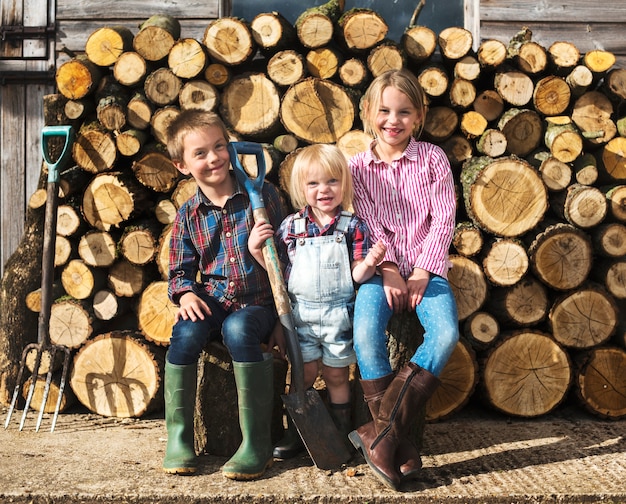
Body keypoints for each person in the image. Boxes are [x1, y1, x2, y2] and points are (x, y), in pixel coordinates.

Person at [347, 68, 460, 490]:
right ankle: (397, 442)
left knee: (445, 332)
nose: (393, 121)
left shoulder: (433, 159)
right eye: (384, 111)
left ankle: (379, 434)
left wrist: (422, 271)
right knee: (365, 332)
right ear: (368, 113)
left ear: (419, 116)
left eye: (404, 112)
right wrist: (392, 270)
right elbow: (367, 221)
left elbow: (443, 217)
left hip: (428, 271)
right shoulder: (357, 167)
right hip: (380, 272)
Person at [162, 109, 286, 480]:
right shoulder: (188, 215)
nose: (213, 157)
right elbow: (180, 271)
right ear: (182, 165)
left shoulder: (261, 196)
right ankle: (179, 439)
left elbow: (287, 262)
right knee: (185, 333)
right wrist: (184, 294)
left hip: (258, 305)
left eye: (219, 147)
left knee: (237, 330)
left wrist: (282, 318)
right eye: (199, 153)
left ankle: (256, 443)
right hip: (215, 298)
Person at [248, 143, 386, 459]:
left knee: (338, 375)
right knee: (304, 374)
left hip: (339, 314)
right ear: (301, 188)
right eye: (313, 183)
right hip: (303, 316)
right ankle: (299, 431)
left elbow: (357, 276)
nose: (323, 190)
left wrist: (371, 263)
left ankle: (338, 431)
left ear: (344, 185)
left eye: (332, 182)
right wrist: (258, 251)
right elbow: (280, 274)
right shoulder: (290, 226)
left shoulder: (352, 225)